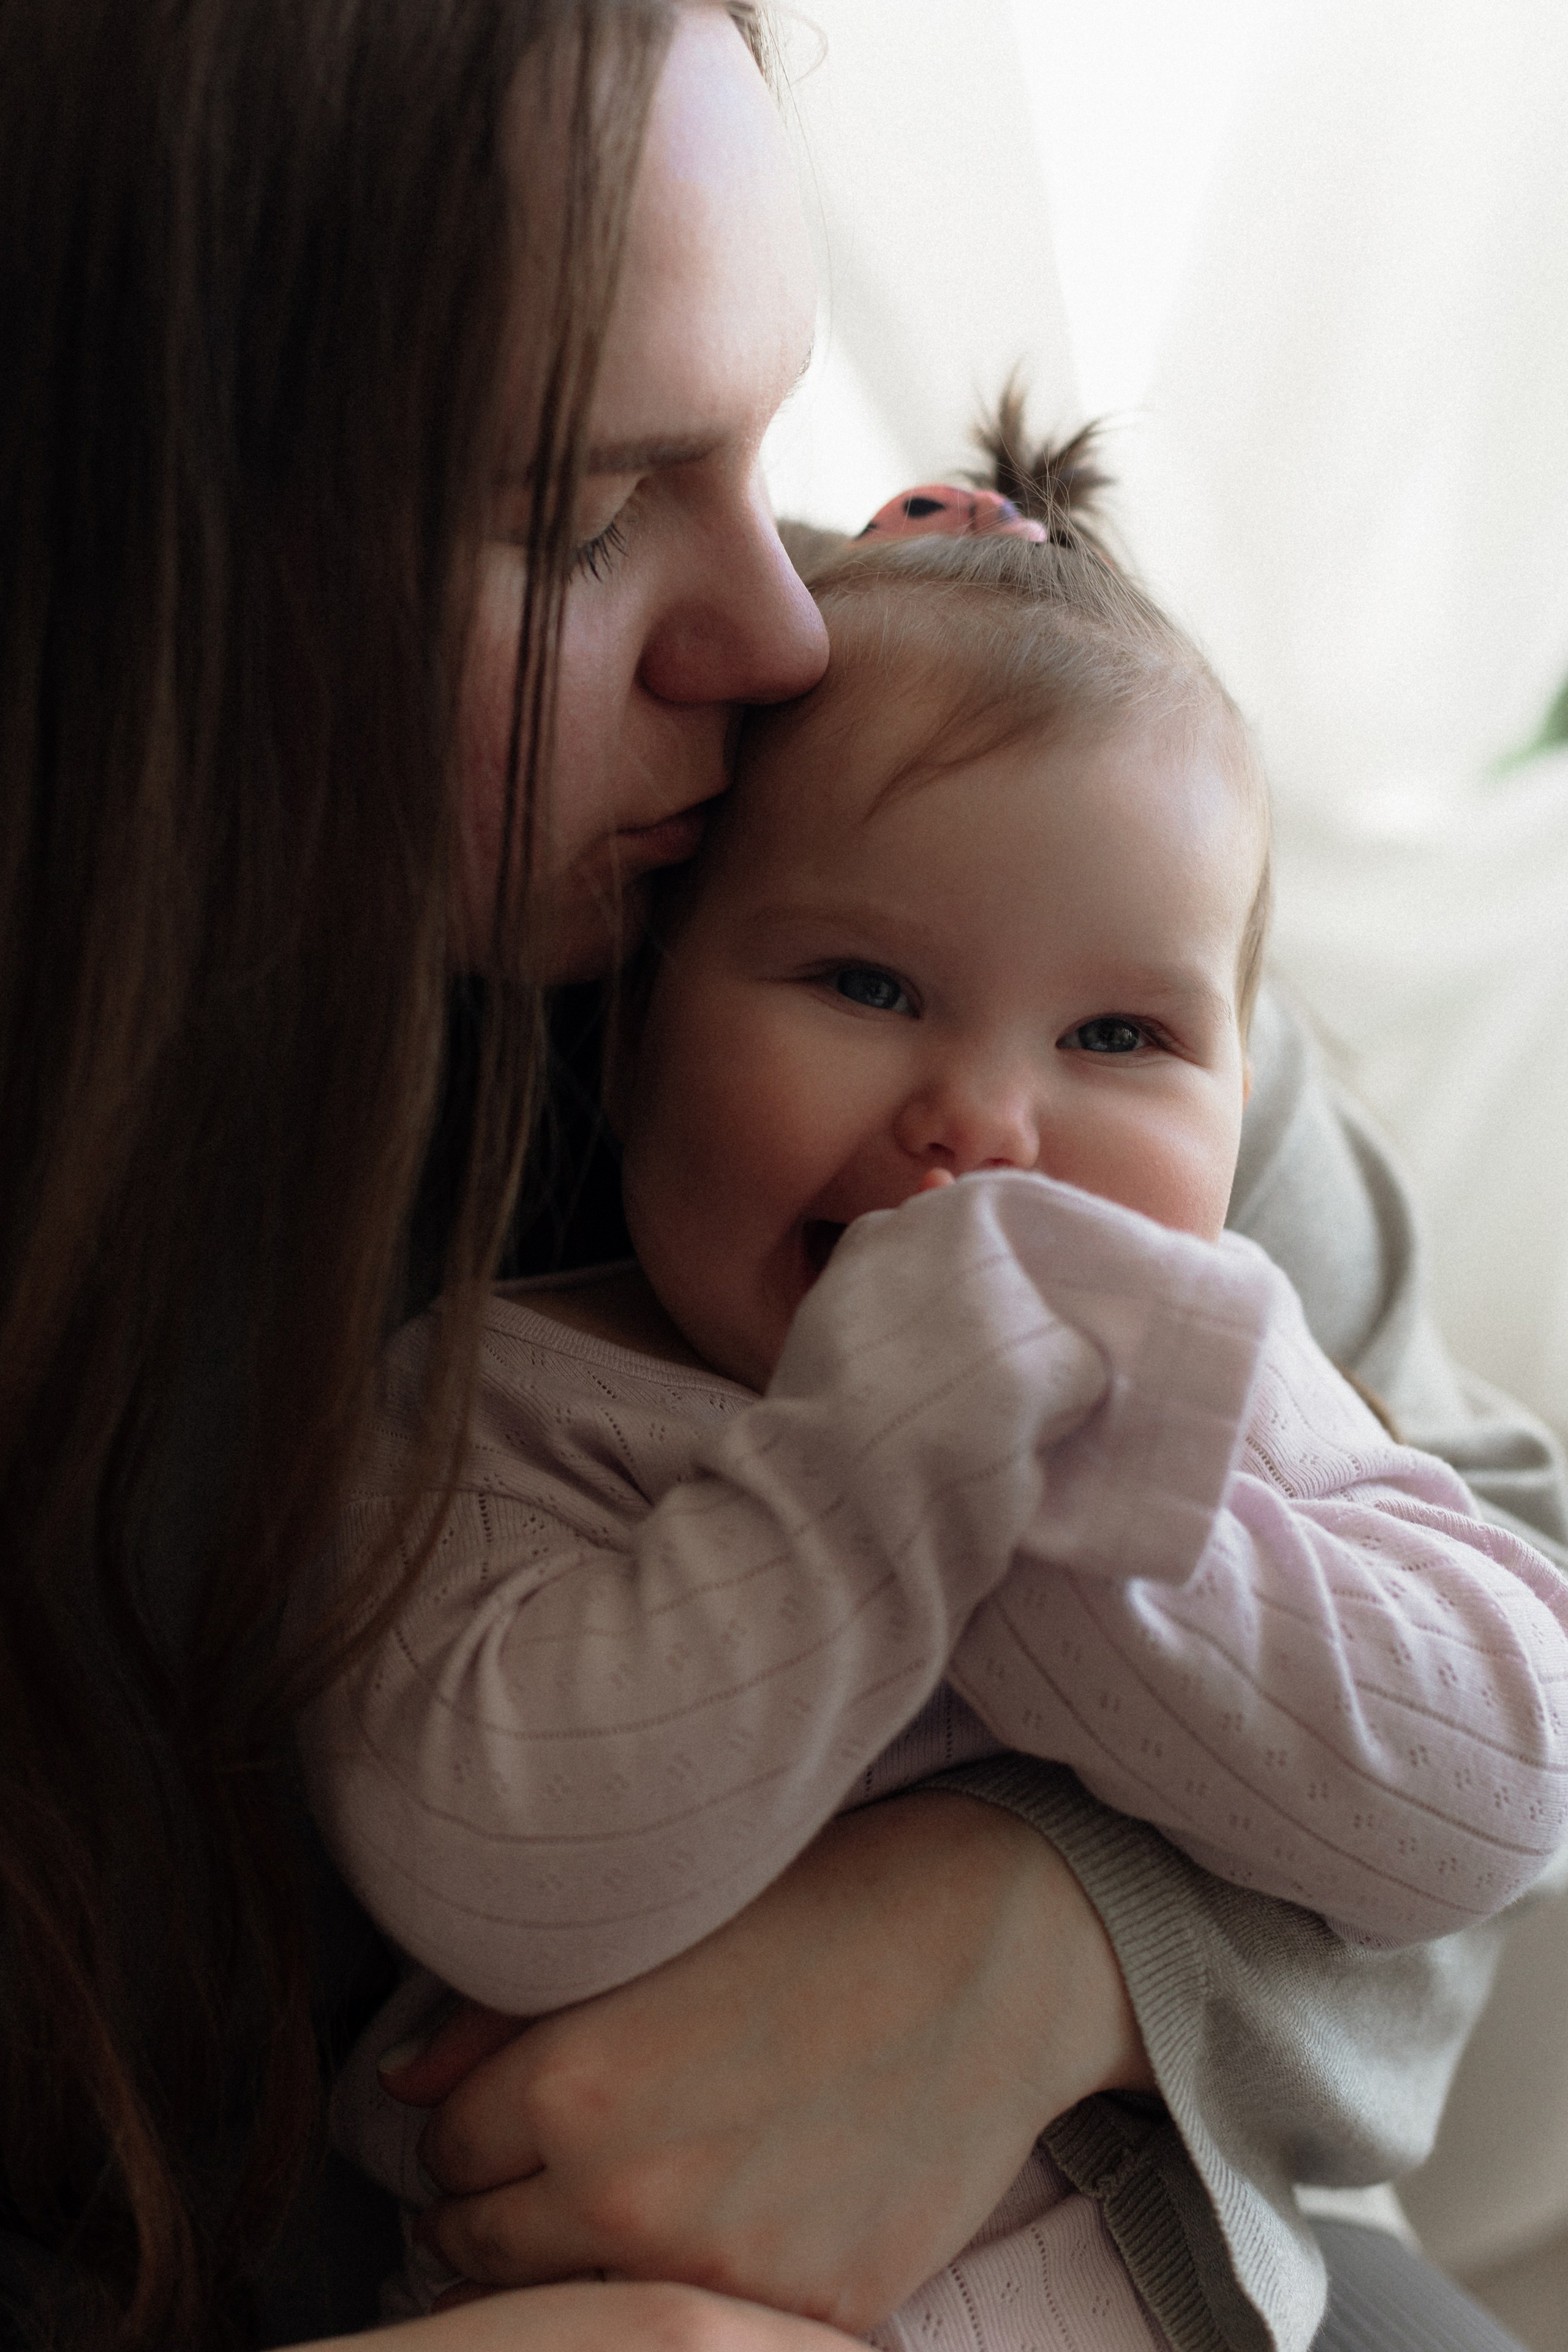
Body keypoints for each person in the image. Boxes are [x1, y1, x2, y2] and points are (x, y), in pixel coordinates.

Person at [1, 3, 1561, 2350]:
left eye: (763, 442)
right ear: (132, 572)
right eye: (582, 515)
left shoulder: (947, 824)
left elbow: (1506, 1637)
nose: (784, 624)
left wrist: (1042, 1945)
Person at [306, 442, 1568, 2348]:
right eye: (866, 989)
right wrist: (885, 1480)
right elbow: (505, 1876)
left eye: (1124, 1038)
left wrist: (1101, 1549)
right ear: (632, 1027)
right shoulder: (515, 1406)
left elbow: (1506, 1775)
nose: (987, 1122)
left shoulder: (1230, 1361)